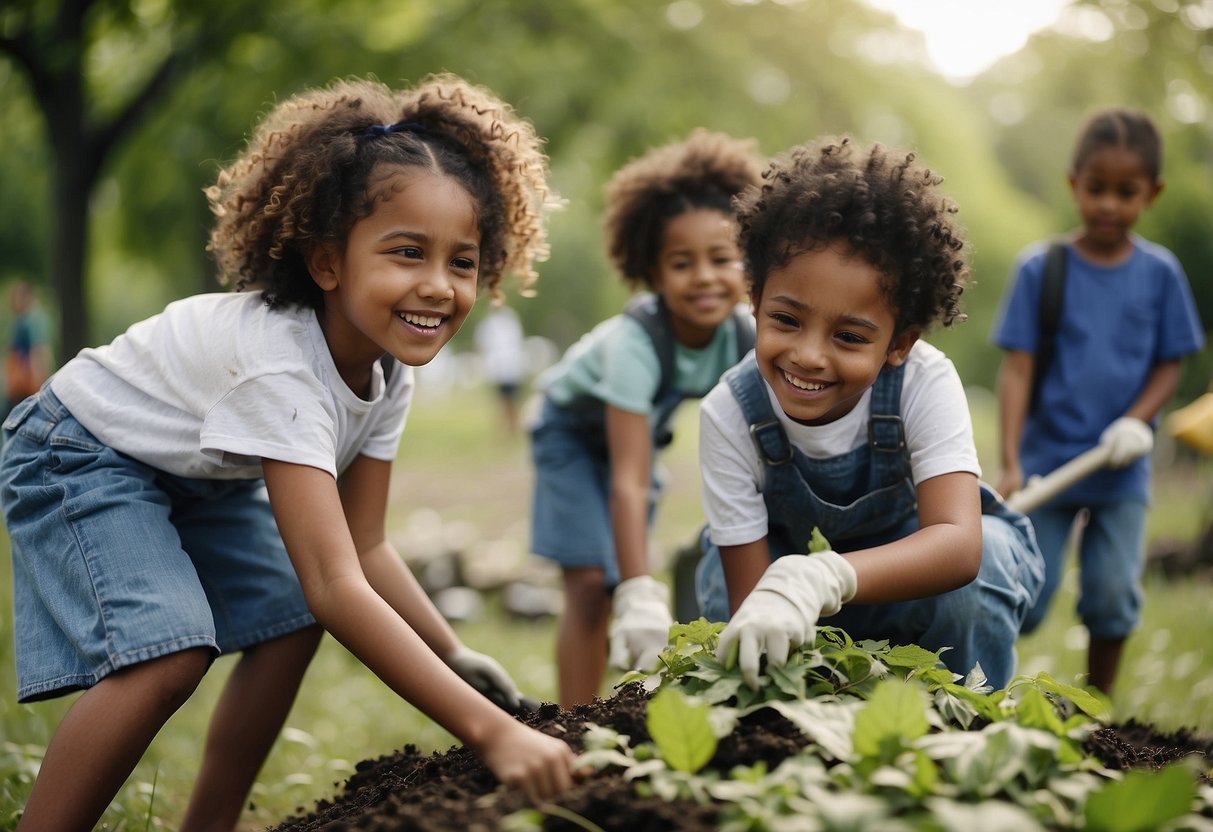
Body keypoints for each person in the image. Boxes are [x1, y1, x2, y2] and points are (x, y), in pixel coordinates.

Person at [0, 74, 576, 831]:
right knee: (168, 656)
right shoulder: (281, 362)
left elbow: (364, 546)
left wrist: (451, 653)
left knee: (285, 616)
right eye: (407, 253)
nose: (438, 287)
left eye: (461, 261)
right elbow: (335, 584)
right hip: (78, 451)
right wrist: (489, 728)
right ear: (327, 262)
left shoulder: (386, 366)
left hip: (191, 477)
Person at [694, 136, 1045, 692]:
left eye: (850, 335)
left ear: (899, 343)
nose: (809, 355)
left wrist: (827, 574)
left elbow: (958, 545)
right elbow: (747, 602)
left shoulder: (921, 383)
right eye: (786, 320)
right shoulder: (730, 413)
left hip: (910, 595)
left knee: (988, 570)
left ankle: (967, 728)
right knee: (717, 584)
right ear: (754, 300)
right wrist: (784, 594)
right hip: (802, 611)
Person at [529, 130, 763, 706]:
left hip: (635, 439)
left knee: (620, 569)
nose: (705, 277)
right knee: (592, 583)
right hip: (571, 436)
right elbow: (628, 482)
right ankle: (573, 721)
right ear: (653, 273)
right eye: (682, 263)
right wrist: (638, 589)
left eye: (722, 258)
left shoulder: (743, 335)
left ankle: (628, 704)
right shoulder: (634, 344)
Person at [992, 108, 1204, 695]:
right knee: (1022, 594)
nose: (1109, 205)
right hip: (1047, 463)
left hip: (1122, 470)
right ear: (1073, 184)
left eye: (1126, 192)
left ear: (1152, 193)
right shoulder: (1041, 269)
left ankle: (1097, 717)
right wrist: (1010, 461)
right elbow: (1017, 368)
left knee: (1111, 595)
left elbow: (1171, 361)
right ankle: (983, 695)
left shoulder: (1161, 275)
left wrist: (1137, 421)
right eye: (1096, 189)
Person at [474, 304, 526, 436]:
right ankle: (506, 427)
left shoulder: (508, 320)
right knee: (503, 400)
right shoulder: (489, 323)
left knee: (510, 399)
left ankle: (512, 426)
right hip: (498, 368)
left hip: (510, 367)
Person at [3, 279, 52, 418]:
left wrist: (39, 381)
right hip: (18, 382)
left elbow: (38, 350)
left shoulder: (33, 320)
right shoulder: (21, 319)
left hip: (25, 382)